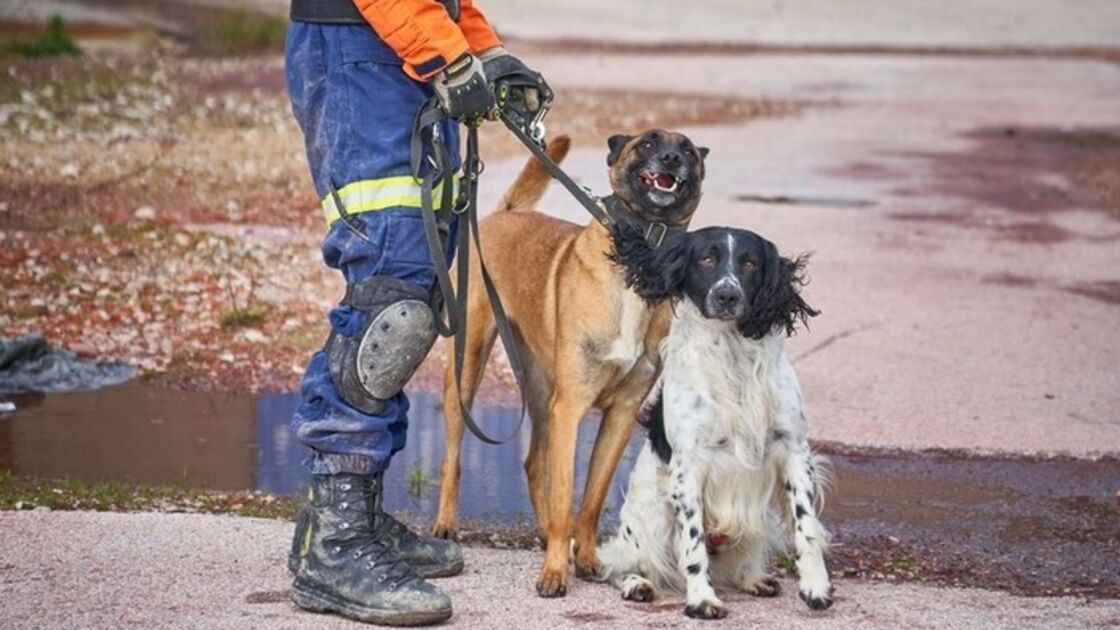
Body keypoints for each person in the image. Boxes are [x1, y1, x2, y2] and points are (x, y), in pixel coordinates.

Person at [283, 0, 548, 625]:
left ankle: (353, 515)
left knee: (418, 285)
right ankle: (336, 545)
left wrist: (483, 51)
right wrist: (449, 57)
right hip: (363, 54)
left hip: (397, 55)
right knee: (390, 301)